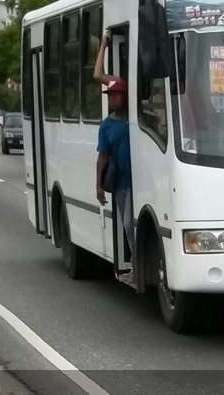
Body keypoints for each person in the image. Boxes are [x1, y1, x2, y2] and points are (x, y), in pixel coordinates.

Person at [94, 32, 134, 274]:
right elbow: (102, 157)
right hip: (120, 183)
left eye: (116, 95)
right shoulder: (107, 125)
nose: (112, 99)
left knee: (134, 223)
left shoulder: (135, 113)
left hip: (142, 181)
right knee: (127, 223)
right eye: (110, 96)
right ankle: (137, 265)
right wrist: (104, 46)